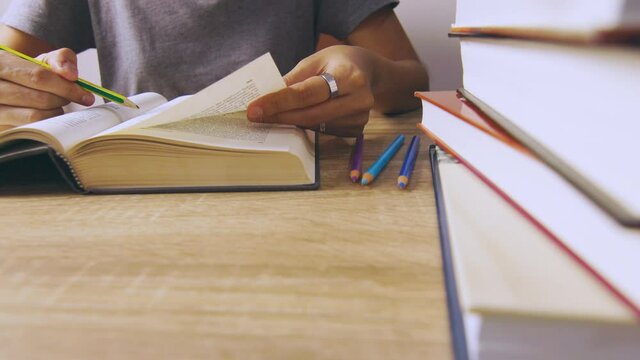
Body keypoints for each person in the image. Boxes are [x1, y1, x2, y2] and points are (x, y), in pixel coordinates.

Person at [0, 1, 428, 137]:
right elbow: (8, 66)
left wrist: (369, 72)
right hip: (127, 185)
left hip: (295, 187)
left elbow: (413, 78)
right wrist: (21, 93)